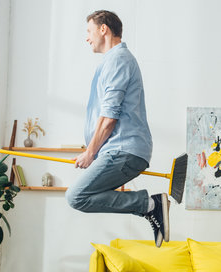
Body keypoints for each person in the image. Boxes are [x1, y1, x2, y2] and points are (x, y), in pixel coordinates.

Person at [65, 10, 169, 247]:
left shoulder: (118, 59)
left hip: (123, 150)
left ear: (104, 29)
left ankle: (150, 205)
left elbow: (109, 116)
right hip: (119, 150)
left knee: (76, 196)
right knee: (82, 196)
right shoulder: (113, 61)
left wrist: (91, 152)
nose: (87, 38)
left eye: (89, 31)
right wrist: (93, 150)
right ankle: (150, 205)